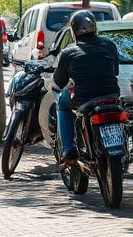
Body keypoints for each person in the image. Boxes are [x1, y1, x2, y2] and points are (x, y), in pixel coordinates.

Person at [50, 10, 120, 170]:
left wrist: (54, 85)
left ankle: (68, 150)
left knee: (62, 103)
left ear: (73, 31)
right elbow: (115, 71)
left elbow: (59, 82)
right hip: (111, 94)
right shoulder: (110, 45)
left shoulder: (68, 52)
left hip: (84, 97)